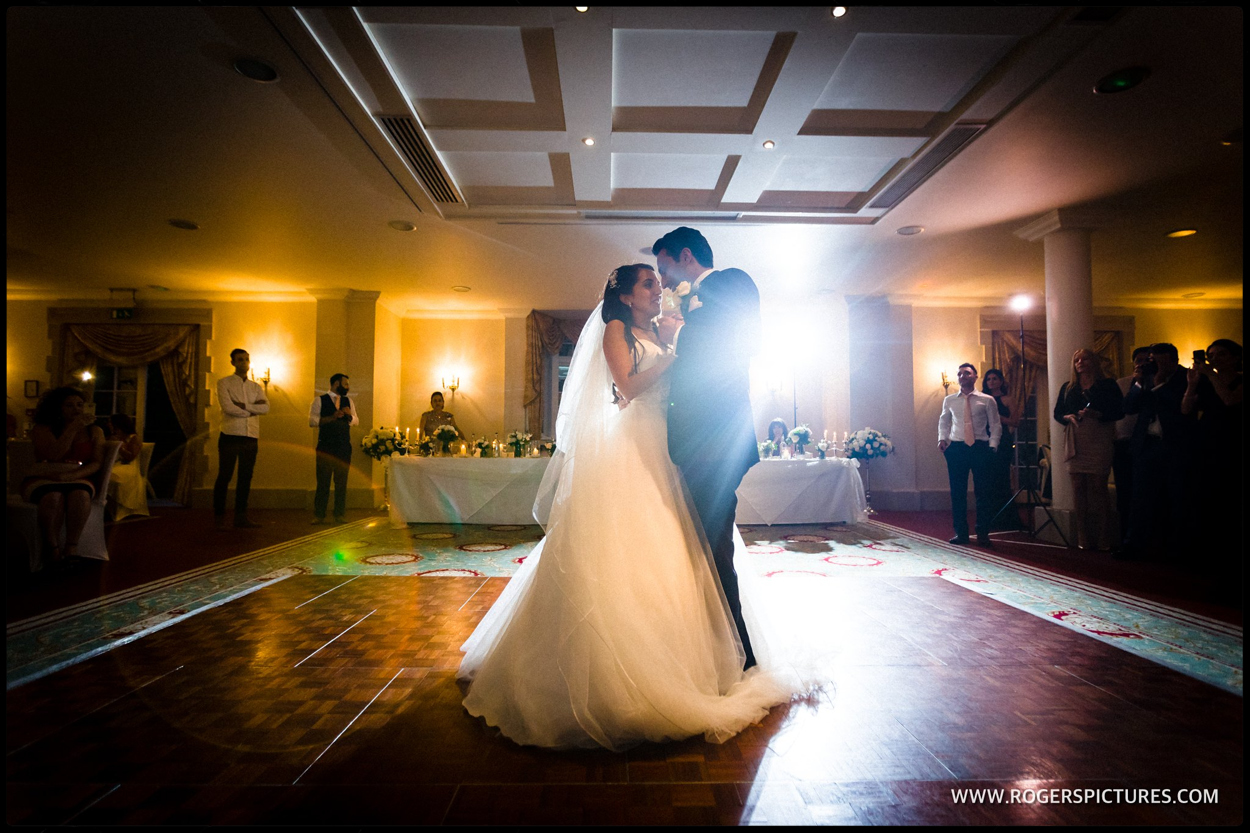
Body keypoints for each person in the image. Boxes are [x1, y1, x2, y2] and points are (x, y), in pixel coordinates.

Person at [458, 264, 797, 751]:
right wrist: (675, 354)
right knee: (631, 546)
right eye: (649, 284)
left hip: (668, 446)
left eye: (659, 282)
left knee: (682, 550)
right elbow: (629, 386)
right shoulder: (615, 328)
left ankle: (696, 655)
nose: (659, 289)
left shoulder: (657, 328)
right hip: (634, 445)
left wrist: (672, 343)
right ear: (626, 295)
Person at [654, 226, 762, 669]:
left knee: (715, 549)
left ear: (684, 256)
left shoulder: (731, 281)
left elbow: (734, 344)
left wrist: (676, 333)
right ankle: (709, 645)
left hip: (715, 444)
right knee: (700, 547)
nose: (662, 281)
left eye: (663, 269)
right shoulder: (688, 302)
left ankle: (739, 656)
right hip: (695, 444)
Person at [1119, 343, 1193, 561]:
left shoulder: (1186, 378)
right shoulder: (1146, 378)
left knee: (1177, 496)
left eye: (1156, 361)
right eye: (1148, 360)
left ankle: (1178, 548)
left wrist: (1159, 383)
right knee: (1140, 497)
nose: (1149, 365)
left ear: (1172, 360)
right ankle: (1133, 546)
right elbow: (1129, 408)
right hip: (1146, 444)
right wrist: (1140, 384)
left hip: (1175, 445)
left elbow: (1181, 407)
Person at [20, 386, 105, 568]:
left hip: (78, 475)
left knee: (80, 495)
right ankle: (52, 549)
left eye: (80, 405)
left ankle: (71, 547)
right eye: (69, 405)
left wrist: (72, 475)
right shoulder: (42, 428)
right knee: (53, 497)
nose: (77, 410)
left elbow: (97, 462)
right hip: (44, 474)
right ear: (57, 407)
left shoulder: (94, 431)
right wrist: (72, 429)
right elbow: (54, 454)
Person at [1053, 348, 1125, 551]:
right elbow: (1058, 413)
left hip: (1099, 435)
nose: (1080, 362)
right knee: (1077, 486)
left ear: (1094, 361)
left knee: (1098, 486)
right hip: (1076, 436)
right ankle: (1082, 534)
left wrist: (1098, 414)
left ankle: (1104, 535)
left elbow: (1120, 411)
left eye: (1084, 359)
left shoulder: (1108, 385)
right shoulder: (1069, 387)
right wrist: (1068, 417)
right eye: (1077, 360)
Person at [938, 363, 1001, 547]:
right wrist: (942, 439)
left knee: (983, 492)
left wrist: (993, 445)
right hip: (957, 448)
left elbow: (995, 424)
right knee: (958, 493)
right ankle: (961, 533)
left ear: (975, 376)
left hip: (981, 448)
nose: (962, 376)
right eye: (959, 373)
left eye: (967, 373)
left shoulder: (987, 400)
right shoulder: (949, 400)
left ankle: (983, 533)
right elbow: (944, 422)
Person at [213, 348, 269, 529]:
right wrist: (252, 409)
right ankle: (219, 517)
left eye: (246, 359)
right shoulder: (224, 383)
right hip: (230, 435)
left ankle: (241, 516)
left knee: (246, 477)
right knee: (225, 476)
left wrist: (243, 406)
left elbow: (266, 408)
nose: (244, 362)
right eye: (240, 359)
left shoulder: (256, 387)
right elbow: (228, 408)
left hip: (251, 436)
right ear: (233, 362)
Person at [309, 373, 358, 525]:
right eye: (346, 384)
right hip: (326, 446)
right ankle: (319, 514)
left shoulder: (348, 401)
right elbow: (312, 421)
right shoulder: (319, 400)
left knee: (341, 482)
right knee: (323, 481)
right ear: (337, 384)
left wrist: (349, 415)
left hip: (343, 446)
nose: (348, 387)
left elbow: (356, 420)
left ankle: (339, 514)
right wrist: (332, 417)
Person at [1112, 347, 1150, 544]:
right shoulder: (1123, 383)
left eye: (1146, 360)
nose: (1142, 364)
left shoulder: (1162, 382)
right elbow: (1125, 410)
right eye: (1138, 360)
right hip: (1124, 443)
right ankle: (1125, 537)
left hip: (1150, 443)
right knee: (1125, 493)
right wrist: (1138, 383)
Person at [981, 368, 1019, 528]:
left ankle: (1006, 518)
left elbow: (1015, 421)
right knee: (987, 479)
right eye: (988, 379)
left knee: (1002, 477)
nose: (991, 382)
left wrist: (998, 419)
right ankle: (989, 516)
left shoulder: (1008, 399)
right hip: (985, 440)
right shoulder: (981, 399)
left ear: (1001, 381)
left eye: (995, 378)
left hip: (1003, 441)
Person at [106, 413, 149, 521]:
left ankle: (117, 507)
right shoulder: (110, 436)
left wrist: (118, 446)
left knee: (111, 477)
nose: (108, 424)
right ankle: (106, 508)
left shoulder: (133, 438)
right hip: (113, 464)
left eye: (110, 422)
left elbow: (130, 457)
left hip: (128, 465)